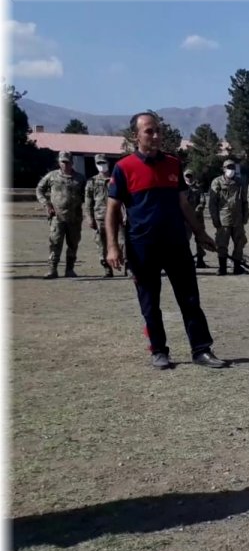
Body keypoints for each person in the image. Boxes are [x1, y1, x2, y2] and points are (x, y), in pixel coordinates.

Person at [105, 112, 228, 370]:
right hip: (142, 247)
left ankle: (201, 350)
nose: (156, 135)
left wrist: (200, 233)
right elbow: (113, 210)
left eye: (158, 130)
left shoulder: (173, 163)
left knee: (190, 299)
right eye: (149, 131)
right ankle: (159, 351)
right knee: (150, 304)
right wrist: (113, 246)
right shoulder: (124, 167)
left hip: (176, 244)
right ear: (135, 136)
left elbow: (184, 204)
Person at [36, 151, 87, 279]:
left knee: (73, 244)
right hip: (57, 217)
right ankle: (52, 270)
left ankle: (70, 270)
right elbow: (39, 189)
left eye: (67, 162)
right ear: (59, 162)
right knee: (55, 243)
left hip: (75, 218)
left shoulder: (80, 178)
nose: (65, 164)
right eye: (62, 162)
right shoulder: (52, 176)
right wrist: (46, 204)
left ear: (72, 162)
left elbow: (87, 196)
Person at [84, 154, 124, 278]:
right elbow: (88, 201)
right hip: (100, 216)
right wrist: (89, 217)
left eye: (103, 162)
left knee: (124, 241)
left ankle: (128, 265)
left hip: (119, 215)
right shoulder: (92, 181)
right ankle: (107, 269)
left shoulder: (117, 178)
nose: (102, 165)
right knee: (102, 243)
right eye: (99, 163)